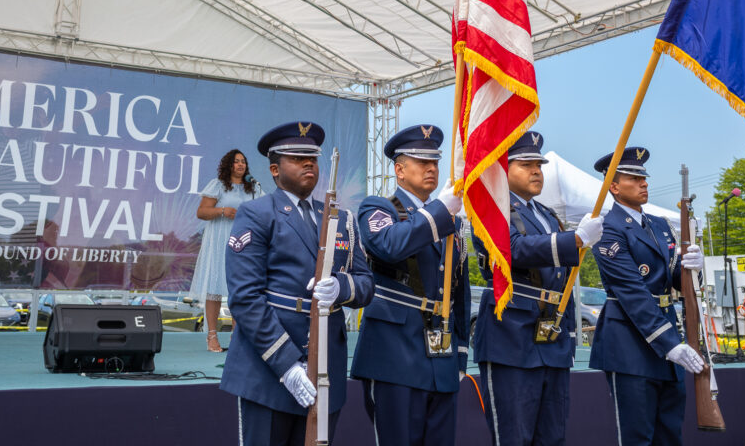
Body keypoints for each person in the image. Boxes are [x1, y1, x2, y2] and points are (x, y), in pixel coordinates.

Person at [220, 122, 374, 446]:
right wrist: (287, 364)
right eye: (297, 158)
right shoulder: (257, 213)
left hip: (325, 369)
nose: (308, 164)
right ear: (275, 170)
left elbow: (366, 283)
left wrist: (341, 288)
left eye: (313, 158)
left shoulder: (340, 219)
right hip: (269, 369)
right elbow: (246, 298)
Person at [471, 130, 604, 446]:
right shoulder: (492, 209)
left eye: (539, 165)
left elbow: (561, 282)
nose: (536, 171)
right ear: (504, 169)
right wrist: (574, 240)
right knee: (514, 436)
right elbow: (512, 248)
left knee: (552, 437)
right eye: (526, 164)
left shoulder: (547, 216)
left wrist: (569, 336)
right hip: (511, 339)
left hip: (551, 342)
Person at [351, 124, 470, 446]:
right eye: (421, 162)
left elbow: (458, 289)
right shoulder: (379, 207)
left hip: (440, 356)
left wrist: (460, 354)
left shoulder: (452, 221)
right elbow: (389, 245)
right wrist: (439, 212)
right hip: (394, 353)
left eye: (435, 162)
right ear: (399, 170)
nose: (431, 169)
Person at [589, 146, 705, 446]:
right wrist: (670, 344)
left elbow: (674, 280)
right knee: (638, 437)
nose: (644, 183)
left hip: (666, 339)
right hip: (630, 344)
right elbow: (633, 293)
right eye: (633, 178)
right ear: (613, 186)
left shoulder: (659, 226)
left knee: (669, 435)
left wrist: (693, 268)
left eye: (644, 177)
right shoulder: (607, 229)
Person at [191, 148, 265, 351]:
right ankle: (212, 336)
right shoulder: (218, 185)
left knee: (239, 289)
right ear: (228, 165)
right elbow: (201, 212)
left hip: (244, 241)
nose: (241, 164)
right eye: (236, 161)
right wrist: (223, 211)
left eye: (243, 161)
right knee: (215, 289)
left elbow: (264, 210)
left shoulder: (254, 188)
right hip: (219, 239)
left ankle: (237, 336)